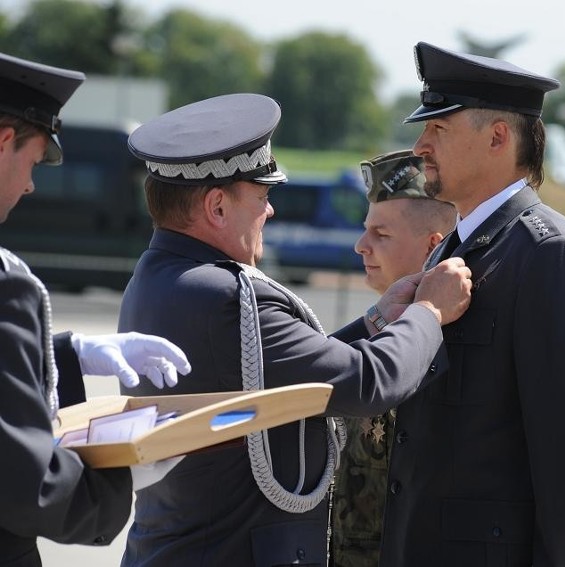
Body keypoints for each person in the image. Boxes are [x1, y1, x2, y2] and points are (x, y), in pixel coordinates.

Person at [117, 92, 472, 566]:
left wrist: (377, 320)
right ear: (218, 207)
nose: (270, 212)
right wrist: (430, 310)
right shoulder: (226, 296)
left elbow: (285, 371)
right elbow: (367, 383)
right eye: (262, 197)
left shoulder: (160, 276)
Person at [378, 42, 565, 567]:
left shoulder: (547, 252)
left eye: (438, 128)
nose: (420, 145)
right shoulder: (460, 243)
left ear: (497, 137)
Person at [0, 51, 192, 567]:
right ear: (3, 144)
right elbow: (23, 485)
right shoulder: (4, 286)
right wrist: (120, 478)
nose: (30, 184)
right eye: (34, 161)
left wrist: (64, 355)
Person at [332, 149, 456, 567]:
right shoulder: (378, 327)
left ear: (432, 247)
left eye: (381, 235)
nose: (361, 245)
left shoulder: (454, 342)